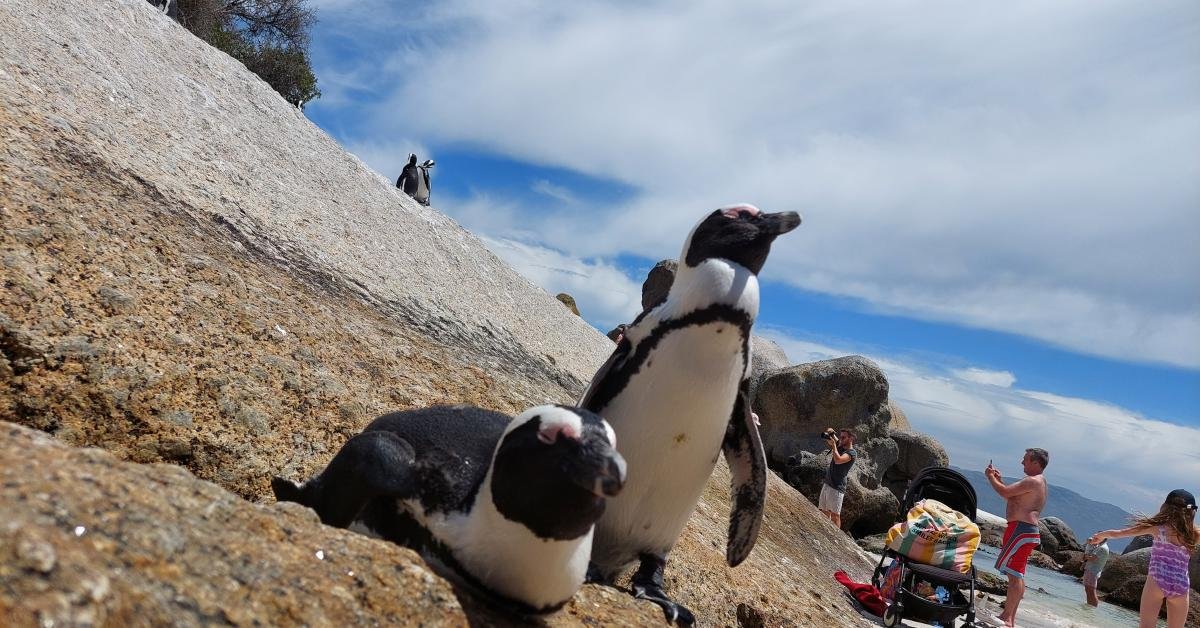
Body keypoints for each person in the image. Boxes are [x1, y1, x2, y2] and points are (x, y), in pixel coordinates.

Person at [1087, 489, 1198, 628]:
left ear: (1166, 507)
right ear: (1192, 512)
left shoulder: (1158, 528)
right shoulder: (1194, 534)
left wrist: (1102, 535)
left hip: (1158, 580)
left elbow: (1121, 533)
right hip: (1181, 586)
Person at [985, 448, 1049, 628]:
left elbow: (1005, 493)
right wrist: (999, 480)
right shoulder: (1039, 482)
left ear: (1036, 463)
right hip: (1024, 530)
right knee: (1017, 573)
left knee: (1014, 575)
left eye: (1025, 460)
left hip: (1021, 530)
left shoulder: (1033, 481)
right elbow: (1013, 498)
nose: (1022, 463)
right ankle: (1009, 618)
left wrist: (990, 478)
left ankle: (1007, 617)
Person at [818, 428, 856, 529]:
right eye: (841, 436)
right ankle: (824, 531)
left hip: (837, 487)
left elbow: (838, 460)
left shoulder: (852, 453)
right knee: (824, 511)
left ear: (851, 439)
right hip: (828, 483)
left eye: (844, 437)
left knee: (835, 515)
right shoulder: (841, 444)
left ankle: (837, 538)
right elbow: (834, 437)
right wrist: (831, 433)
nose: (841, 439)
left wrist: (834, 445)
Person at [1081, 539, 1110, 606]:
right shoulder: (1099, 546)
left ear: (1103, 538)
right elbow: (1089, 556)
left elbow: (1092, 558)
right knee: (1088, 590)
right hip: (1090, 570)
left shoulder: (1102, 548)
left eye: (1097, 537)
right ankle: (1089, 607)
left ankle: (1093, 608)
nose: (1095, 539)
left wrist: (1085, 556)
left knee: (1091, 591)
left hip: (1093, 571)